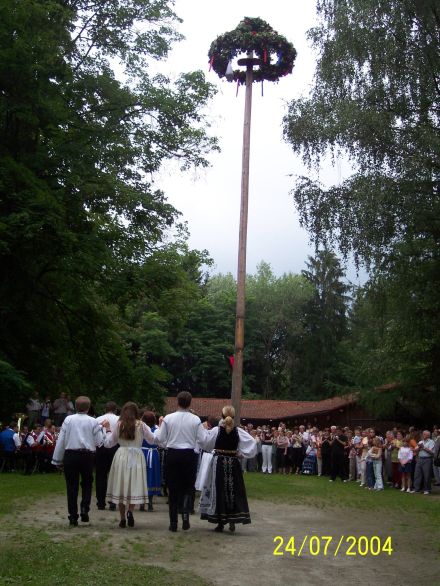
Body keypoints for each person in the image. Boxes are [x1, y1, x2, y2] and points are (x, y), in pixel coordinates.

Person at [153, 391, 208, 532]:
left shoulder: (168, 418)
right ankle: (185, 513)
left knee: (173, 488)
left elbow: (159, 438)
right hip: (189, 455)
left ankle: (173, 522)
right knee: (187, 487)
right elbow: (203, 440)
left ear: (177, 402)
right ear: (190, 403)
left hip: (172, 454)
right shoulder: (195, 420)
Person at [199, 405, 257, 533]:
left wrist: (201, 429)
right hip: (233, 463)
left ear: (222, 416)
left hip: (219, 462)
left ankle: (220, 523)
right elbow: (252, 443)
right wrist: (241, 454)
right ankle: (232, 521)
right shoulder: (238, 431)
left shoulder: (216, 430)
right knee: (233, 491)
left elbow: (205, 443)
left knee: (219, 490)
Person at [52, 396, 105, 525]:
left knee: (71, 486)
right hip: (87, 456)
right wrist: (103, 430)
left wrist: (57, 460)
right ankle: (84, 508)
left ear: (75, 407)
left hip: (71, 455)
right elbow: (99, 442)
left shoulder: (68, 420)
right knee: (87, 483)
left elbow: (62, 440)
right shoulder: (93, 421)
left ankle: (73, 515)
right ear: (89, 407)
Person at [103, 402, 155, 528]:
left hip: (121, 455)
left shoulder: (119, 424)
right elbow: (152, 439)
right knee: (134, 483)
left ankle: (122, 518)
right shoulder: (141, 425)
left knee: (121, 484)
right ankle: (130, 511)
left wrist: (108, 430)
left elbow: (108, 443)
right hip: (136, 456)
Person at [95, 401, 119, 510]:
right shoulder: (119, 420)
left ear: (105, 409)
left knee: (100, 474)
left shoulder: (97, 420)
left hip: (100, 448)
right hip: (115, 447)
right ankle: (113, 501)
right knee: (114, 475)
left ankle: (100, 501)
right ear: (115, 409)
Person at [140, 410, 161, 511]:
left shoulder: (140, 428)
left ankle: (142, 503)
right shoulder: (157, 429)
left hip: (143, 453)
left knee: (142, 476)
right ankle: (150, 502)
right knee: (151, 476)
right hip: (153, 455)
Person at [413, 430, 435, 495]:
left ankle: (427, 489)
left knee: (427, 475)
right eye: (423, 434)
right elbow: (415, 450)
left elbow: (432, 452)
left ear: (428, 435)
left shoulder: (431, 442)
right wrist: (418, 448)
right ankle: (416, 489)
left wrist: (423, 447)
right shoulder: (420, 442)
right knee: (417, 474)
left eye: (424, 434)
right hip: (420, 459)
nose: (423, 435)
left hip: (427, 459)